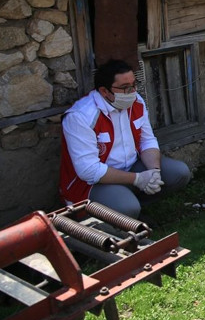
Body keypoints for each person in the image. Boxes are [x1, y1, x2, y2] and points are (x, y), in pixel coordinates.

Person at [59, 59, 191, 219]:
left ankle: (134, 205)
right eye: (124, 88)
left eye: (133, 85)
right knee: (127, 207)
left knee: (179, 173)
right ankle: (114, 212)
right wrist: (138, 179)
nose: (132, 92)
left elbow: (147, 141)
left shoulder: (136, 102)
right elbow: (89, 171)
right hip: (93, 184)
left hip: (131, 168)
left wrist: (153, 172)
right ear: (104, 91)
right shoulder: (80, 116)